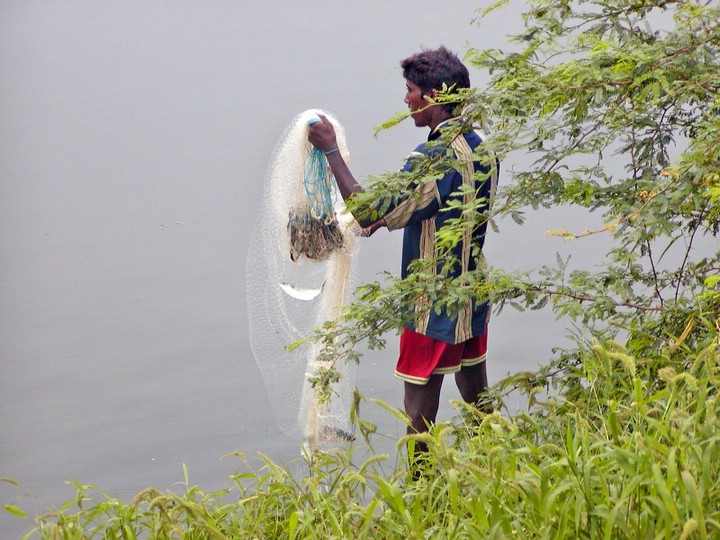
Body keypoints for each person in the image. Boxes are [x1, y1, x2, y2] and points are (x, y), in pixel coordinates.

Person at [308, 46, 499, 462]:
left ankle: (419, 487)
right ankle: (496, 463)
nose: (406, 99)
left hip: (432, 302)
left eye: (411, 90)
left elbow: (368, 207)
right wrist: (387, 219)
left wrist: (331, 149)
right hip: (472, 290)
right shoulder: (480, 147)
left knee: (418, 412)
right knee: (477, 397)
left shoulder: (431, 158)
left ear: (434, 97)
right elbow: (440, 204)